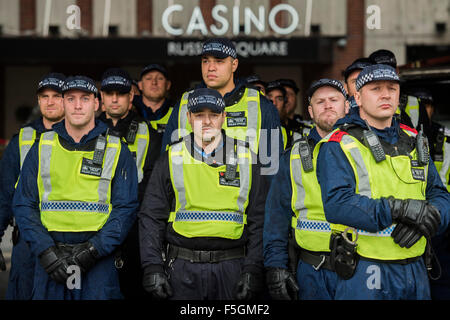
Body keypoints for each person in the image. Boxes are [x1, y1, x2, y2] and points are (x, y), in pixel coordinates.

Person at [314, 64, 449, 299]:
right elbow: (337, 204)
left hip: (415, 267)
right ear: (357, 96)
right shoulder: (339, 143)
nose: (386, 94)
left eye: (392, 88)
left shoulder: (416, 139)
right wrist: (400, 209)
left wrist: (430, 216)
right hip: (365, 269)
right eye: (376, 88)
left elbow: (440, 194)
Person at [13, 75, 139, 300]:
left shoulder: (115, 148)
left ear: (96, 103)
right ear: (63, 103)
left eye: (85, 99)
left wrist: (93, 250)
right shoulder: (42, 145)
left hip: (97, 261)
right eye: (71, 99)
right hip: (51, 258)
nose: (78, 105)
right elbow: (23, 204)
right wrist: (46, 252)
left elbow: (126, 208)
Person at [139, 88, 268, 300]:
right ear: (188, 117)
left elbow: (260, 220)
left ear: (224, 117)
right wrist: (152, 266)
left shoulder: (248, 158)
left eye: (214, 115)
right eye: (199, 115)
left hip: (233, 267)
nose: (206, 121)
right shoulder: (171, 157)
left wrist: (253, 268)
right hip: (181, 268)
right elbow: (151, 216)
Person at [263, 78, 349, 300]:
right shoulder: (293, 156)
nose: (328, 105)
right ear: (310, 111)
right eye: (320, 101)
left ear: (347, 106)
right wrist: (275, 265)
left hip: (359, 267)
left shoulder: (367, 150)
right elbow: (277, 215)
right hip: (311, 270)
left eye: (334, 100)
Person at [161, 38, 283, 176]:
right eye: (205, 61)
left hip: (243, 196)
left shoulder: (260, 105)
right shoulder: (184, 104)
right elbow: (166, 164)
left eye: (219, 61)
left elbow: (272, 168)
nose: (211, 67)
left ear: (234, 64)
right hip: (192, 195)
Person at [0, 72, 66, 299]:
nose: (50, 101)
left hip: (68, 242)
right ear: (38, 101)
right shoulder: (22, 140)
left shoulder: (82, 140)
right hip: (27, 244)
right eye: (44, 96)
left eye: (56, 96)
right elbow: (5, 194)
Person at [98, 68, 162, 299]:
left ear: (131, 96)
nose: (115, 99)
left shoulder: (149, 134)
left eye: (121, 93)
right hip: (96, 228)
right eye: (109, 93)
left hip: (135, 230)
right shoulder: (87, 132)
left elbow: (154, 187)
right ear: (101, 98)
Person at [133, 64, 174, 133]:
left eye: (160, 78)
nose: (154, 82)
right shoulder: (128, 110)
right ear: (140, 85)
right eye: (148, 78)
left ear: (168, 85)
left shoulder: (177, 111)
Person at [266, 81, 301, 149]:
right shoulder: (255, 127)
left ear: (285, 103)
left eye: (279, 99)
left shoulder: (295, 131)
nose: (274, 103)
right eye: (270, 98)